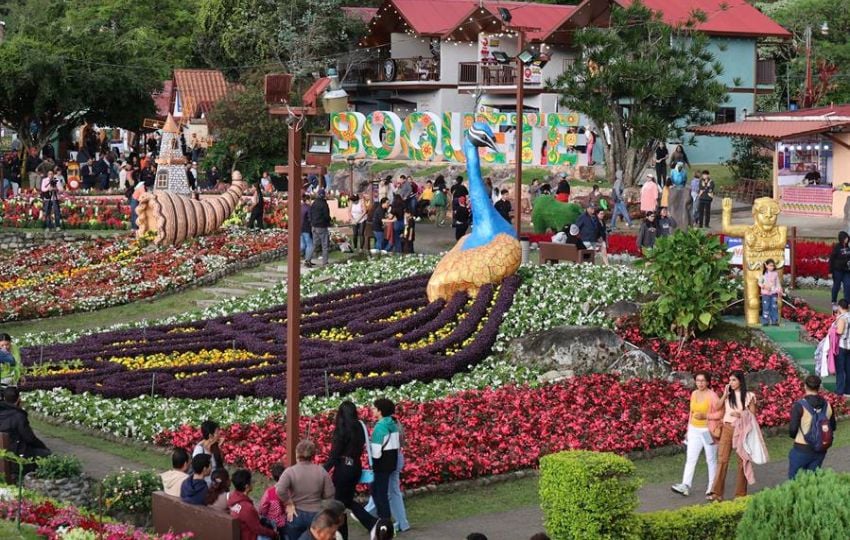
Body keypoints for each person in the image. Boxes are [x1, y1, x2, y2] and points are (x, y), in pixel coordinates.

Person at [322, 401, 376, 539]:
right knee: (346, 501)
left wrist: (322, 470)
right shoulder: (360, 426)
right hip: (355, 467)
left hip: (344, 469)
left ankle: (346, 532)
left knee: (339, 504)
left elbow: (334, 456)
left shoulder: (342, 429)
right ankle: (370, 524)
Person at [708, 370, 757, 502]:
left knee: (742, 461)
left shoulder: (749, 396)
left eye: (734, 380)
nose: (731, 383)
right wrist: (724, 394)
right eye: (729, 380)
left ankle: (740, 494)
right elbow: (717, 407)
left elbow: (753, 415)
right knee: (722, 460)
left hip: (741, 429)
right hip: (727, 428)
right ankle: (716, 493)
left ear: (740, 381)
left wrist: (741, 414)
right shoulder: (728, 395)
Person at [671, 371, 722, 497]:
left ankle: (712, 488)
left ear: (708, 382)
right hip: (694, 430)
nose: (700, 383)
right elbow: (691, 413)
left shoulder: (712, 396)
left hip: (707, 432)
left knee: (710, 459)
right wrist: (688, 430)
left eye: (703, 380)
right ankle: (685, 485)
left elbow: (720, 414)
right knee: (690, 458)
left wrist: (706, 416)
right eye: (698, 380)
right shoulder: (694, 394)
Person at [276, 439, 335, 540]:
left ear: (297, 454)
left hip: (296, 514)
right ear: (313, 455)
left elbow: (280, 490)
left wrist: (289, 503)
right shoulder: (321, 471)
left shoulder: (290, 471)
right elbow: (330, 494)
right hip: (317, 516)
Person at [788, 375, 836, 479]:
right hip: (821, 449)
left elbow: (792, 430)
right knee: (813, 481)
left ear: (805, 386)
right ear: (819, 387)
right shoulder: (828, 405)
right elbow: (833, 427)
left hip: (801, 448)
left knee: (795, 481)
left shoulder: (799, 406)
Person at [0, 386, 51, 475]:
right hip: (15, 457)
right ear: (19, 400)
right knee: (47, 455)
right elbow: (30, 439)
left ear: (4, 398)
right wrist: (43, 447)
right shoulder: (19, 416)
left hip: (4, 454)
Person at [369, 398, 401, 523]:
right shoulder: (392, 424)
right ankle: (383, 518)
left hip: (381, 463)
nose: (372, 410)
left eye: (374, 408)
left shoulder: (380, 427)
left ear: (380, 411)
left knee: (378, 492)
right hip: (391, 460)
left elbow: (376, 452)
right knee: (380, 490)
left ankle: (385, 520)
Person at [229, 469, 279, 540]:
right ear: (247, 486)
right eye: (251, 481)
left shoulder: (233, 498)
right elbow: (257, 529)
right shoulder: (247, 508)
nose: (252, 483)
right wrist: (273, 534)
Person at [260, 463, 288, 535]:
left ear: (273, 476)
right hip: (286, 522)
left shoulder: (269, 492)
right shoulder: (289, 490)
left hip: (273, 523)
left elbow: (262, 508)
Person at [307, 190, 332, 267]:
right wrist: (329, 222)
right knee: (325, 245)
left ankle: (308, 259)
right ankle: (325, 262)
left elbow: (310, 213)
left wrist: (312, 222)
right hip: (322, 226)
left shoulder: (314, 203)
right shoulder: (324, 204)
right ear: (323, 195)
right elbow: (326, 216)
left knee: (314, 244)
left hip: (314, 226)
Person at [829, 232, 850, 308]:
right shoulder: (837, 247)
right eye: (845, 238)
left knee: (848, 285)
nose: (847, 239)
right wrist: (830, 271)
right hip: (837, 271)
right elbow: (831, 259)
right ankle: (834, 301)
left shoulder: (848, 246)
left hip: (847, 271)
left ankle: (847, 303)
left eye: (847, 238)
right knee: (836, 286)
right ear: (841, 238)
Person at [759, 259, 782, 326]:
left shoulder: (775, 274)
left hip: (773, 293)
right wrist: (764, 287)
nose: (772, 267)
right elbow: (760, 283)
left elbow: (777, 283)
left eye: (773, 266)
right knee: (766, 307)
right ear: (766, 265)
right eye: (770, 265)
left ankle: (774, 321)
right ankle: (765, 321)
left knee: (774, 307)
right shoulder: (763, 274)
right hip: (765, 294)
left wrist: (779, 290)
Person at [834, 300, 850, 396]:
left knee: (840, 369)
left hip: (842, 346)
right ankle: (848, 391)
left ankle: (839, 391)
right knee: (848, 368)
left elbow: (839, 331)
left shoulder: (842, 318)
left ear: (839, 307)